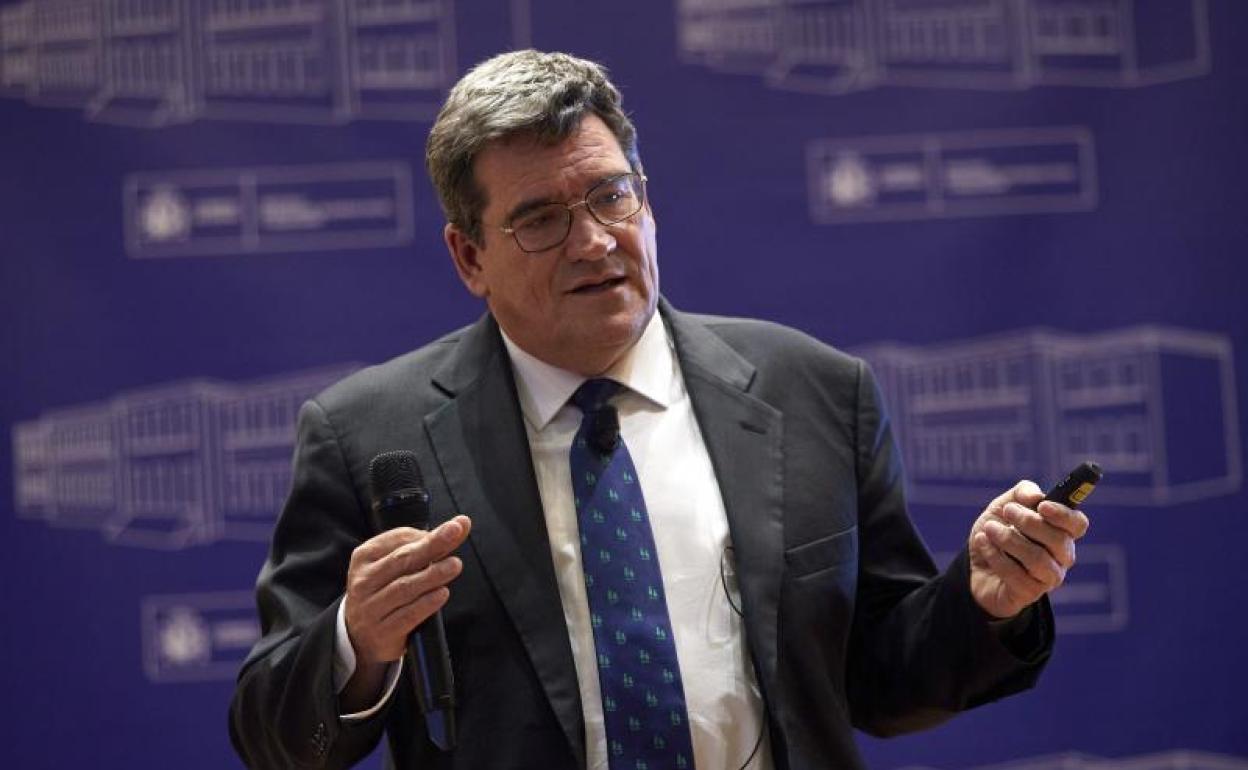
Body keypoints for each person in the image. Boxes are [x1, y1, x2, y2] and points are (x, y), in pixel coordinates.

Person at [229, 50, 1090, 770]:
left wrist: (984, 603)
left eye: (612, 196)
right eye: (540, 220)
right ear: (469, 257)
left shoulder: (815, 392)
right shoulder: (368, 436)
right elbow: (272, 734)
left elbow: (883, 683)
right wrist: (358, 643)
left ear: (646, 197)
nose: (594, 241)